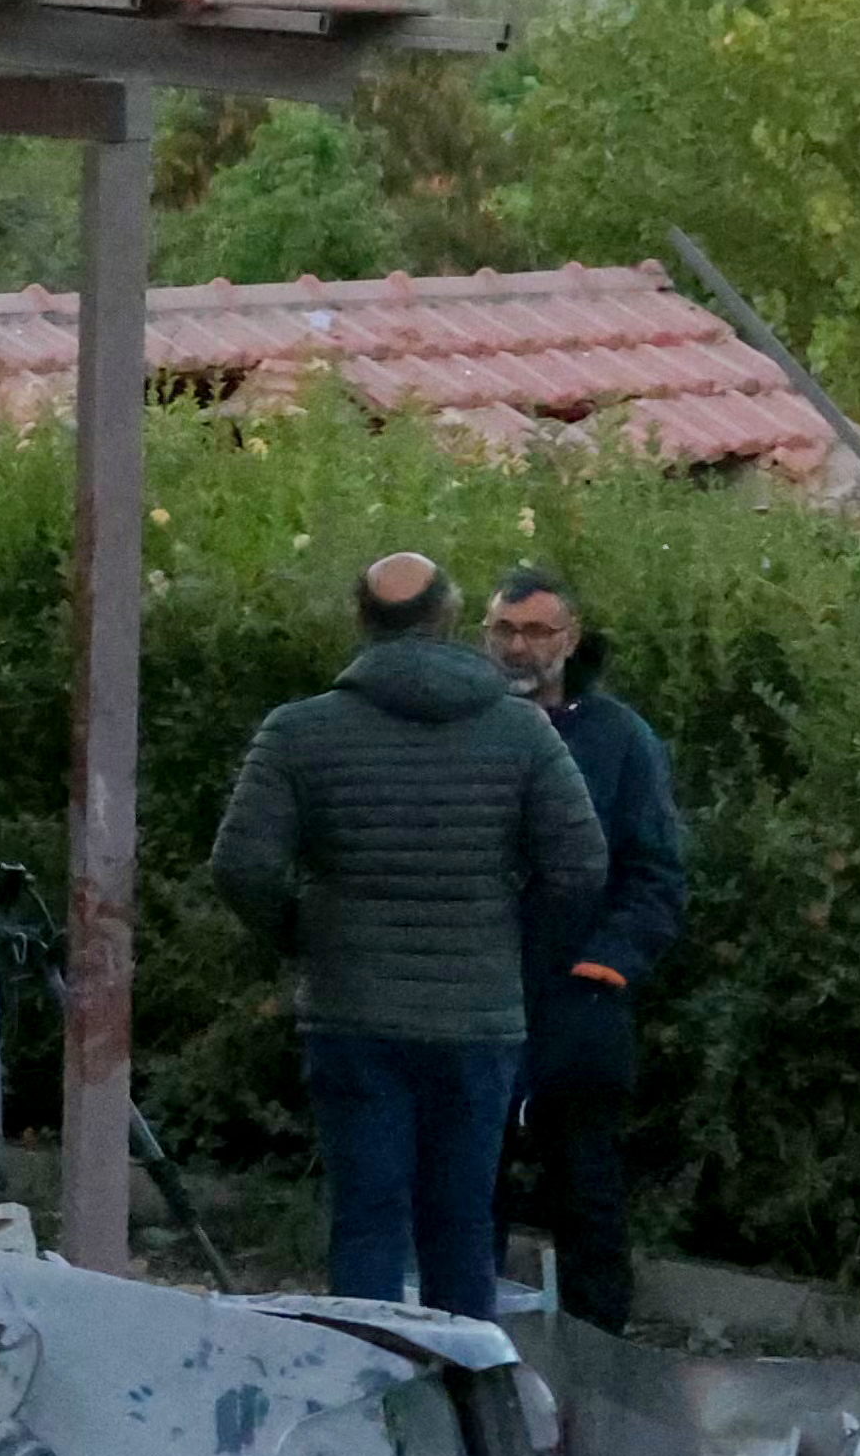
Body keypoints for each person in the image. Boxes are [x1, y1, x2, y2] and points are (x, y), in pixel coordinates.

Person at [207, 545, 605, 1312]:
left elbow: (241, 865)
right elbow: (581, 867)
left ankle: (369, 1370)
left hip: (351, 1010)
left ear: (361, 620)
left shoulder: (298, 731)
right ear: (451, 617)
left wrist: (307, 937)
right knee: (462, 1223)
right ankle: (462, 1381)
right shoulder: (522, 732)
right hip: (477, 1015)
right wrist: (508, 947)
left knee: (367, 1220)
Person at [486, 566, 690, 1331]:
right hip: (474, 992)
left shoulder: (620, 740)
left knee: (587, 1195)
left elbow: (656, 872)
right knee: (465, 1191)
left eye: (537, 631)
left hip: (580, 999)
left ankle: (599, 1361)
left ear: (570, 639)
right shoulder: (466, 723)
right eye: (504, 630)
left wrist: (607, 962)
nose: (519, 647)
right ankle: (467, 1360)